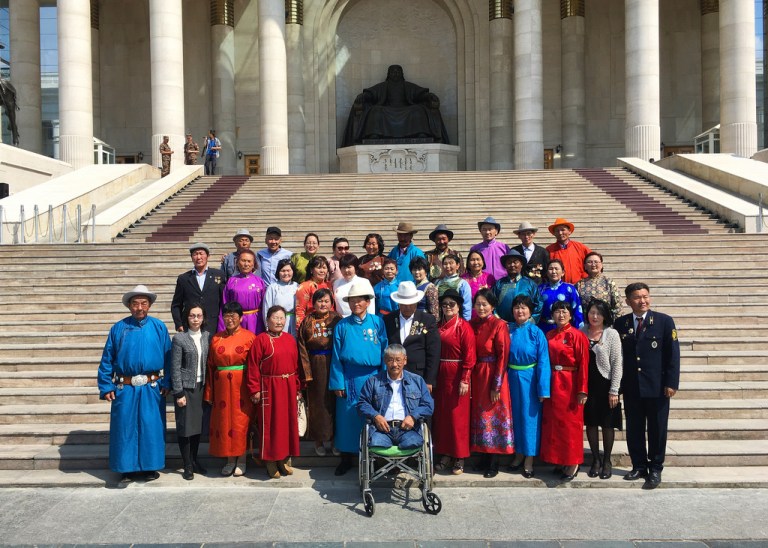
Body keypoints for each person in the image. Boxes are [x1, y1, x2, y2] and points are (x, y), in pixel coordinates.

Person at [97, 285, 171, 483]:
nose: (139, 307)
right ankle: (126, 469)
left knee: (151, 427)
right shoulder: (118, 328)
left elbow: (169, 357)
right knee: (125, 428)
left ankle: (150, 467)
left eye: (143, 303)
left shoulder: (159, 327)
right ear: (129, 306)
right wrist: (106, 385)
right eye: (135, 304)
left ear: (149, 305)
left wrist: (168, 381)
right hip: (125, 388)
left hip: (151, 387)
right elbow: (107, 359)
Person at [615, 282, 680, 490]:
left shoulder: (664, 321)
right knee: (634, 428)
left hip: (657, 387)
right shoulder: (621, 324)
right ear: (628, 301)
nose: (642, 301)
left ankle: (656, 467)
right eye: (637, 297)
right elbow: (618, 357)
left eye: (645, 296)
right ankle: (639, 465)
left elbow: (673, 355)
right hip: (632, 386)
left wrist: (671, 383)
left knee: (657, 429)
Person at [329, 279, 388, 475]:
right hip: (349, 378)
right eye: (352, 300)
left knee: (372, 417)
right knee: (347, 418)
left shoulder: (378, 322)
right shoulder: (342, 325)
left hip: (373, 377)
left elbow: (384, 351)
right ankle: (346, 458)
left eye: (359, 300)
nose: (356, 304)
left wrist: (384, 378)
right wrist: (338, 382)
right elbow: (336, 356)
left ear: (368, 302)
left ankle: (374, 457)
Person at [247, 306, 301, 479]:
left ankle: (284, 459)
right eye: (275, 318)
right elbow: (253, 366)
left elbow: (296, 366)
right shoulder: (261, 340)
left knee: (287, 424)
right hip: (269, 387)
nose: (279, 321)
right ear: (267, 320)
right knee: (271, 425)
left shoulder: (290, 339)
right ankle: (270, 461)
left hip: (288, 386)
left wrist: (297, 387)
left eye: (282, 318)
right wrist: (254, 389)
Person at [204, 302, 256, 477]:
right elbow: (210, 366)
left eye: (233, 316)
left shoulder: (250, 337)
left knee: (240, 422)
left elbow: (254, 365)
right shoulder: (216, 339)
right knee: (224, 422)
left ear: (241, 318)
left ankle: (241, 460)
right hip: (221, 388)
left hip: (242, 387)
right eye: (226, 316)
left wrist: (254, 388)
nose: (230, 319)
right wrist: (209, 392)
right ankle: (229, 460)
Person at [540, 300, 590, 481]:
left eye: (564, 311)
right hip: (552, 382)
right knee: (554, 425)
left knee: (570, 426)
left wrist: (582, 390)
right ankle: (560, 460)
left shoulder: (577, 336)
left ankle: (573, 463)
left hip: (570, 384)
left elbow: (583, 364)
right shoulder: (549, 335)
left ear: (570, 314)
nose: (561, 315)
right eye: (557, 312)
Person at [469, 289, 513, 477]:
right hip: (478, 374)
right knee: (480, 416)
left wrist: (497, 385)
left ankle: (494, 462)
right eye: (478, 304)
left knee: (493, 415)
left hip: (494, 373)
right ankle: (483, 456)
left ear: (492, 306)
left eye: (484, 304)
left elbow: (503, 356)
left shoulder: (499, 325)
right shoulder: (472, 324)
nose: (481, 308)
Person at [506, 295, 551, 479]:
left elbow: (544, 361)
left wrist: (543, 388)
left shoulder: (536, 332)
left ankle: (529, 458)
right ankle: (518, 453)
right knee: (514, 417)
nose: (520, 311)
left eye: (523, 307)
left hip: (530, 378)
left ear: (530, 311)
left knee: (529, 418)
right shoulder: (507, 330)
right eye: (517, 307)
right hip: (510, 377)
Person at [358, 344, 435, 449]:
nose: (394, 364)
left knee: (413, 443)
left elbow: (428, 405)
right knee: (376, 443)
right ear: (385, 361)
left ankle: (399, 458)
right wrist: (376, 416)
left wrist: (413, 416)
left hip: (408, 430)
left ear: (405, 360)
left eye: (398, 360)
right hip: (382, 430)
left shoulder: (417, 381)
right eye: (390, 360)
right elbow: (362, 403)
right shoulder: (373, 381)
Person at [433, 288, 476, 475]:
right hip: (440, 375)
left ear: (459, 307)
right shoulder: (437, 326)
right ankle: (445, 454)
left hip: (457, 375)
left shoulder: (464, 327)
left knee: (458, 418)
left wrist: (465, 379)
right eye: (444, 304)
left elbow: (470, 356)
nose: (448, 307)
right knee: (442, 417)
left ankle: (459, 456)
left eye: (452, 304)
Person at [581, 299, 623, 480]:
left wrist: (614, 390)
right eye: (592, 312)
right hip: (587, 385)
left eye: (599, 313)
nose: (595, 316)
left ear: (605, 316)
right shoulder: (582, 331)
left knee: (607, 424)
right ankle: (596, 460)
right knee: (591, 423)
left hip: (605, 384)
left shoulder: (611, 334)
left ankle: (607, 460)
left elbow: (617, 363)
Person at [297, 288, 342, 456]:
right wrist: (307, 373)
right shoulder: (307, 321)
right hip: (315, 366)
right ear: (313, 303)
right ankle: (319, 441)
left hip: (334, 364)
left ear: (332, 303)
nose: (323, 304)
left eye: (326, 301)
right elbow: (302, 348)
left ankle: (336, 441)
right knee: (318, 405)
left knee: (335, 404)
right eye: (320, 301)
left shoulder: (337, 319)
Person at [170, 304, 209, 480]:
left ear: (203, 318)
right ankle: (186, 465)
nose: (195, 319)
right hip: (186, 388)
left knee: (197, 428)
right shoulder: (180, 338)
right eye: (192, 315)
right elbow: (175, 367)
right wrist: (178, 392)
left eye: (199, 316)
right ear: (187, 318)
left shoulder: (207, 336)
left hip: (201, 387)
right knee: (185, 428)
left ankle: (194, 460)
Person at [384, 281, 441, 390]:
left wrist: (429, 380)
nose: (407, 307)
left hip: (419, 374)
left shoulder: (427, 320)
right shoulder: (389, 319)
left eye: (411, 304)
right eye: (404, 304)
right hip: (393, 373)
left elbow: (434, 351)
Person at [171, 242, 224, 339]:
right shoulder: (184, 278)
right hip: (190, 325)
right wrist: (179, 324)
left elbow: (224, 301)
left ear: (208, 256)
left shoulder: (219, 275)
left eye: (201, 253)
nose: (199, 257)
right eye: (195, 254)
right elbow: (176, 305)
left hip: (213, 325)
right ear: (191, 257)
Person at [218, 249, 266, 335]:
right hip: (236, 320)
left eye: (249, 261)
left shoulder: (260, 282)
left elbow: (265, 305)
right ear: (237, 262)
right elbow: (225, 304)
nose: (246, 264)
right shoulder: (231, 281)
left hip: (256, 321)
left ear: (253, 264)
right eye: (243, 260)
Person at [492, 250, 542, 323]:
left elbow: (539, 304)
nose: (512, 265)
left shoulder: (530, 284)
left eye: (515, 262)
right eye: (509, 262)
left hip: (524, 326)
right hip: (502, 325)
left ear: (521, 264)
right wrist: (498, 320)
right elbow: (492, 304)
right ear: (505, 266)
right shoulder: (499, 284)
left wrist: (528, 322)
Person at [537, 259, 584, 334]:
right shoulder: (540, 289)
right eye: (551, 269)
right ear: (547, 273)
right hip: (543, 329)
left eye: (556, 269)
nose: (554, 271)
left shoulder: (570, 289)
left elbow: (577, 311)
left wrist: (578, 331)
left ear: (563, 273)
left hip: (565, 329)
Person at [576, 251, 623, 321]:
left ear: (601, 265)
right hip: (586, 324)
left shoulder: (609, 282)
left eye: (596, 262)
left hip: (605, 323)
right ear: (585, 266)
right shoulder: (579, 284)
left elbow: (618, 306)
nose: (593, 264)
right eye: (590, 262)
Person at [545, 217, 592, 285]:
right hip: (558, 287)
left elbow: (592, 261)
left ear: (569, 231)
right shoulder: (549, 250)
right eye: (557, 231)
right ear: (554, 233)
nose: (560, 233)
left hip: (580, 285)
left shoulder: (580, 247)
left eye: (563, 230)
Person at [263, 259, 299, 336]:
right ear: (278, 272)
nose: (286, 273)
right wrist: (267, 326)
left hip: (293, 321)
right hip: (277, 322)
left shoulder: (297, 286)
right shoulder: (272, 287)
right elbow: (267, 308)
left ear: (293, 271)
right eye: (283, 271)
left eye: (288, 270)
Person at [295, 255, 333, 327]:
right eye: (318, 268)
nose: (322, 271)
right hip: (311, 326)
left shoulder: (329, 285)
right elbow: (299, 311)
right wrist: (302, 329)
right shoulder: (305, 286)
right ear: (311, 270)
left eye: (324, 268)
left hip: (329, 324)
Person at [469, 216, 510, 281]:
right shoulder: (475, 249)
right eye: (484, 229)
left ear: (496, 231)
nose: (487, 232)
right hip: (482, 283)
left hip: (502, 282)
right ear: (481, 231)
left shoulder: (504, 247)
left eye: (490, 229)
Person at [435, 254, 472, 321]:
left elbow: (467, 305)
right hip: (441, 320)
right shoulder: (438, 283)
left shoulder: (463, 284)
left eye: (451, 263)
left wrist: (466, 321)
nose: (448, 266)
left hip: (457, 320)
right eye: (445, 264)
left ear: (457, 265)